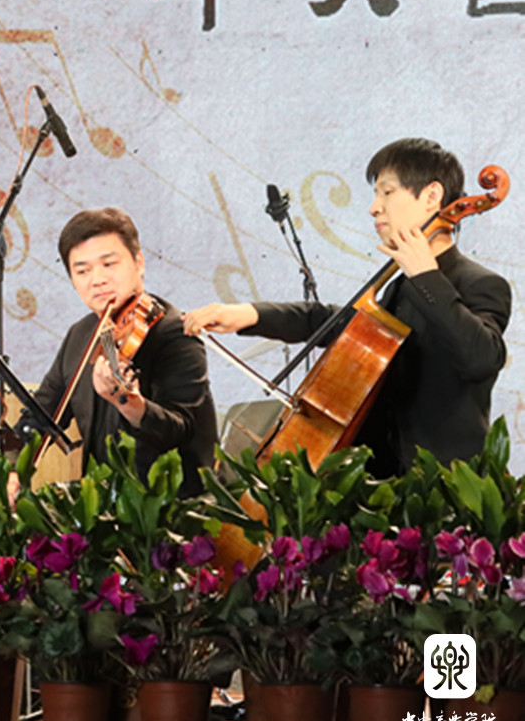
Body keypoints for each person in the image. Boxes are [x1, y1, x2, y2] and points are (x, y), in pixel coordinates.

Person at [183, 138, 510, 476]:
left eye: (387, 192)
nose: (374, 208)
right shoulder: (397, 286)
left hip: (442, 491)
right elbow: (333, 322)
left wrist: (426, 276)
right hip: (375, 486)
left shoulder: (481, 284)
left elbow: (482, 359)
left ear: (431, 196)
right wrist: (248, 314)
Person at [32, 208, 218, 493]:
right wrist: (15, 469)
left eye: (109, 264)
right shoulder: (81, 335)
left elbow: (180, 430)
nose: (97, 279)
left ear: (139, 263)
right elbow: (41, 414)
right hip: (103, 500)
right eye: (82, 271)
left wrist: (129, 403)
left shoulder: (175, 332)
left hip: (172, 503)